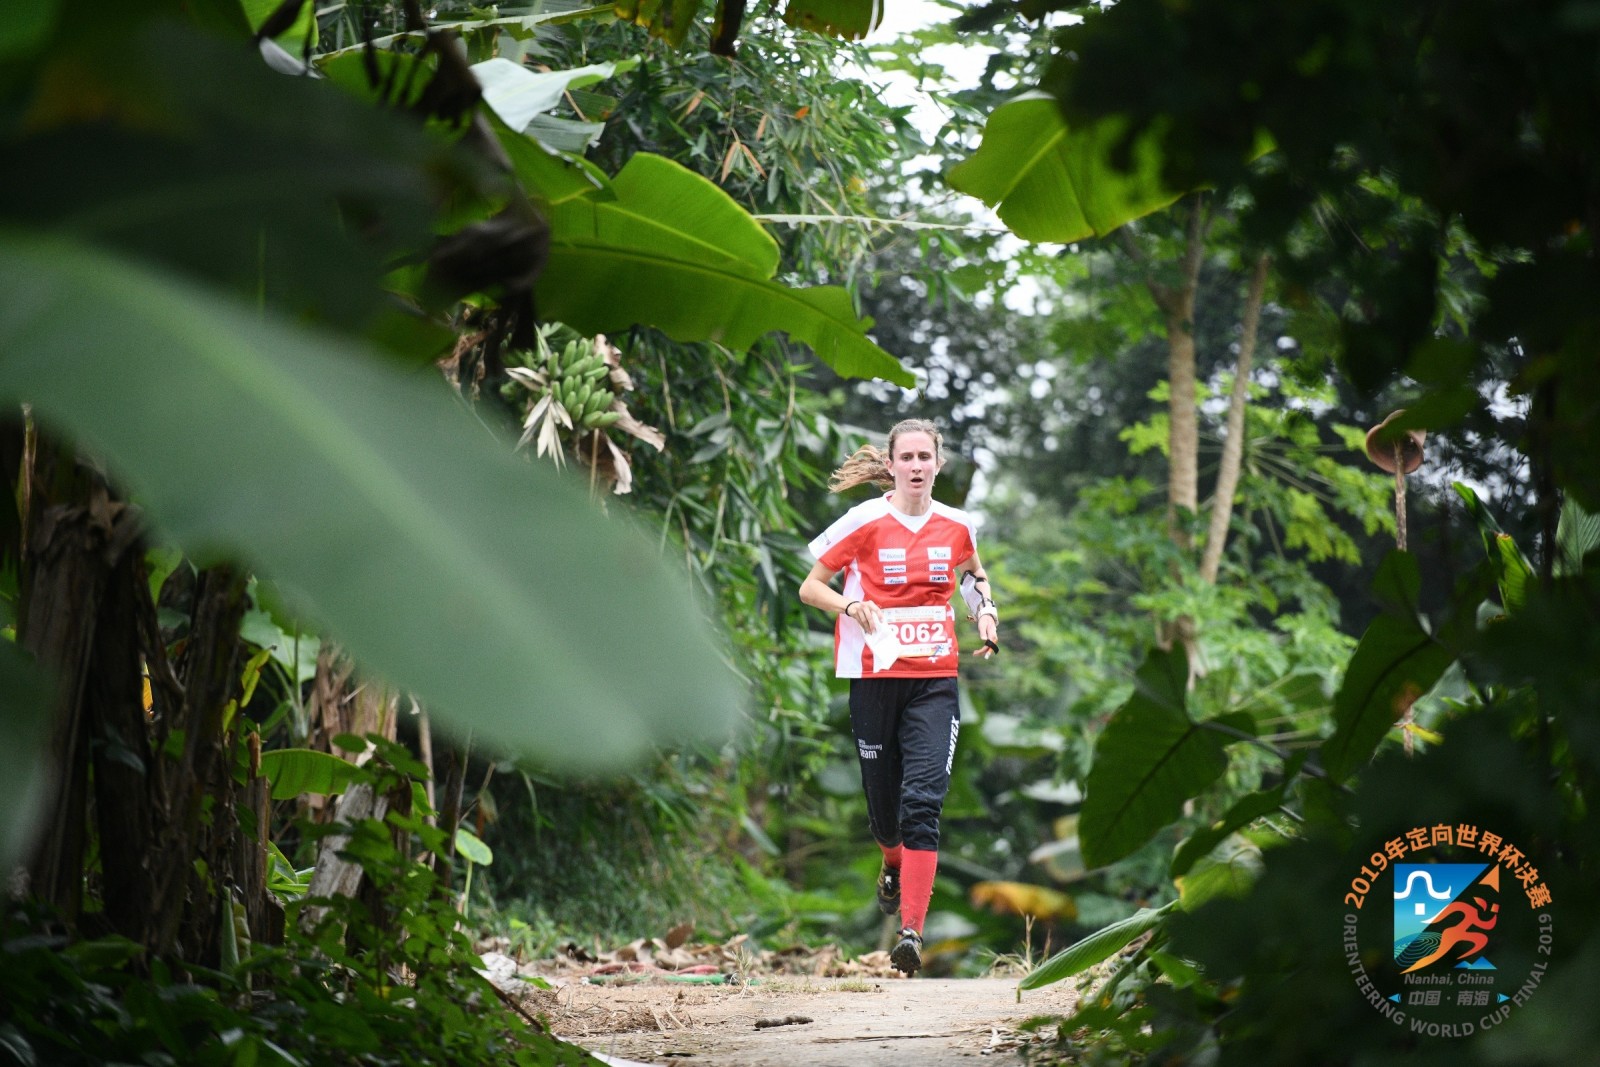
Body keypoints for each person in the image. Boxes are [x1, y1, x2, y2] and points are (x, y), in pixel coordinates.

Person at [798, 419, 999, 976]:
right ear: (890, 465)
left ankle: (911, 932)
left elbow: (973, 576)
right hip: (874, 678)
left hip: (935, 680)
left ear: (938, 464)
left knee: (922, 804)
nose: (915, 465)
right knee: (886, 816)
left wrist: (985, 612)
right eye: (905, 457)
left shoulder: (958, 525)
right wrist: (850, 606)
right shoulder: (863, 521)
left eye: (924, 457)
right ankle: (890, 860)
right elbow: (810, 586)